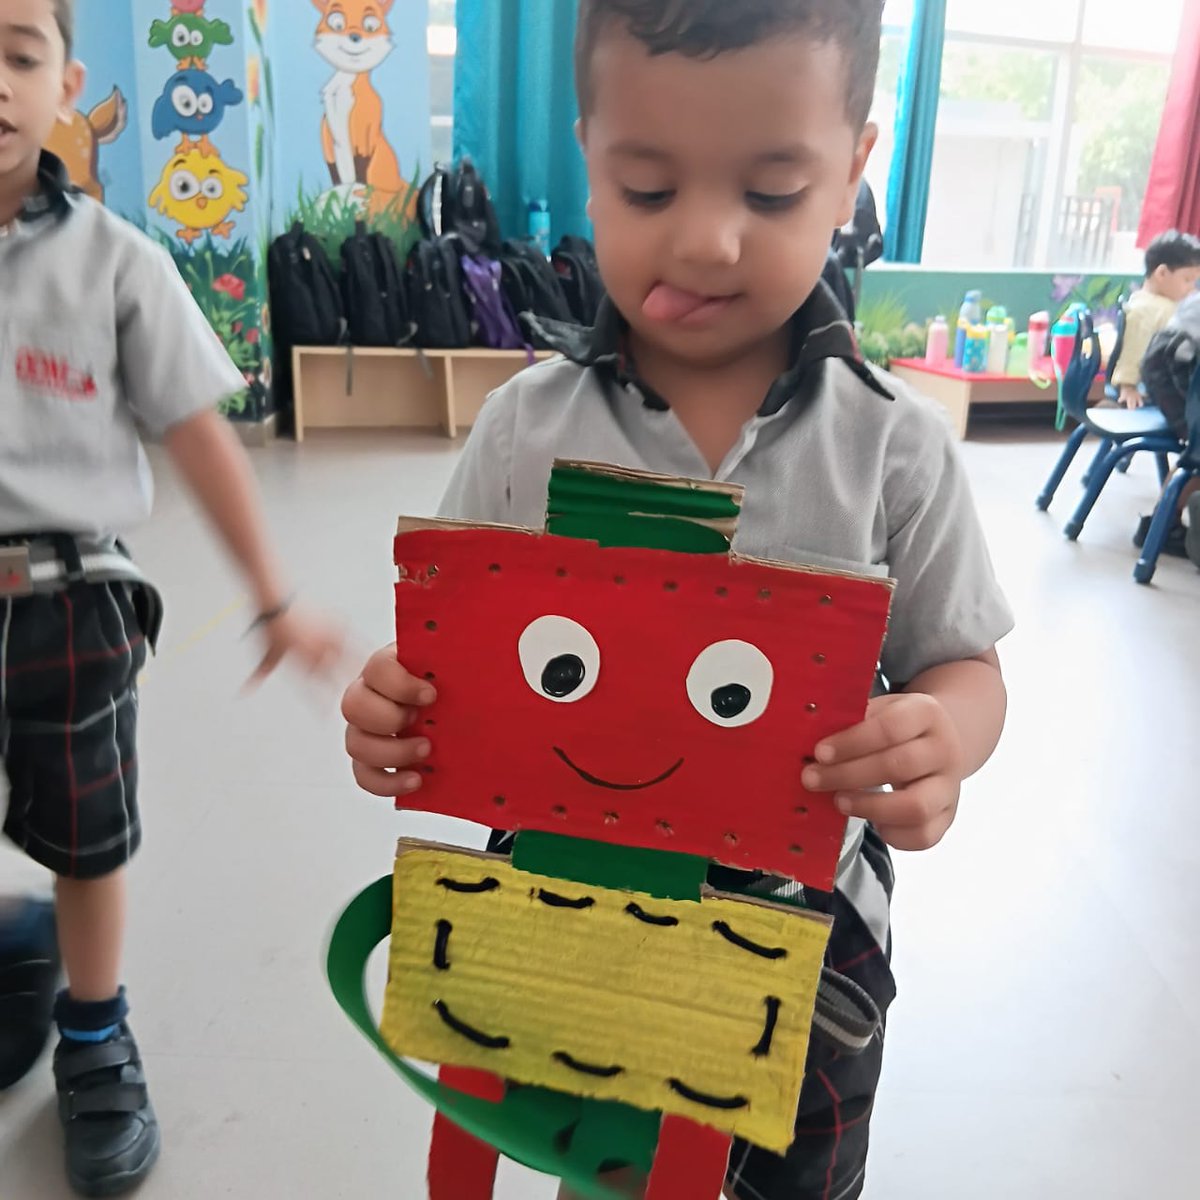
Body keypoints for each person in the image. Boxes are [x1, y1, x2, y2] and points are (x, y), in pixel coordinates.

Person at [341, 2, 1013, 1197]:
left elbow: (964, 664)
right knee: (596, 1164)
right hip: (564, 901)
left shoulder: (891, 446)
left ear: (853, 169)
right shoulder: (523, 428)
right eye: (647, 188)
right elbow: (446, 662)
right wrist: (396, 711)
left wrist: (942, 737)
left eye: (770, 192)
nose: (706, 241)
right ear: (589, 154)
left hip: (805, 939)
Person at [0, 0, 343, 1194]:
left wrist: (273, 598)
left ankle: (93, 1029)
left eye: (18, 54)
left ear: (65, 82)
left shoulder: (114, 261)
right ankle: (16, 952)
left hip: (68, 605)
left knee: (86, 836)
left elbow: (199, 437)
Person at [1112, 229, 1200, 410]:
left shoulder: (1150, 301)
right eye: (1187, 280)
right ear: (1162, 273)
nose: (1192, 289)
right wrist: (1128, 386)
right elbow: (1133, 349)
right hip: (1162, 387)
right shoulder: (1146, 310)